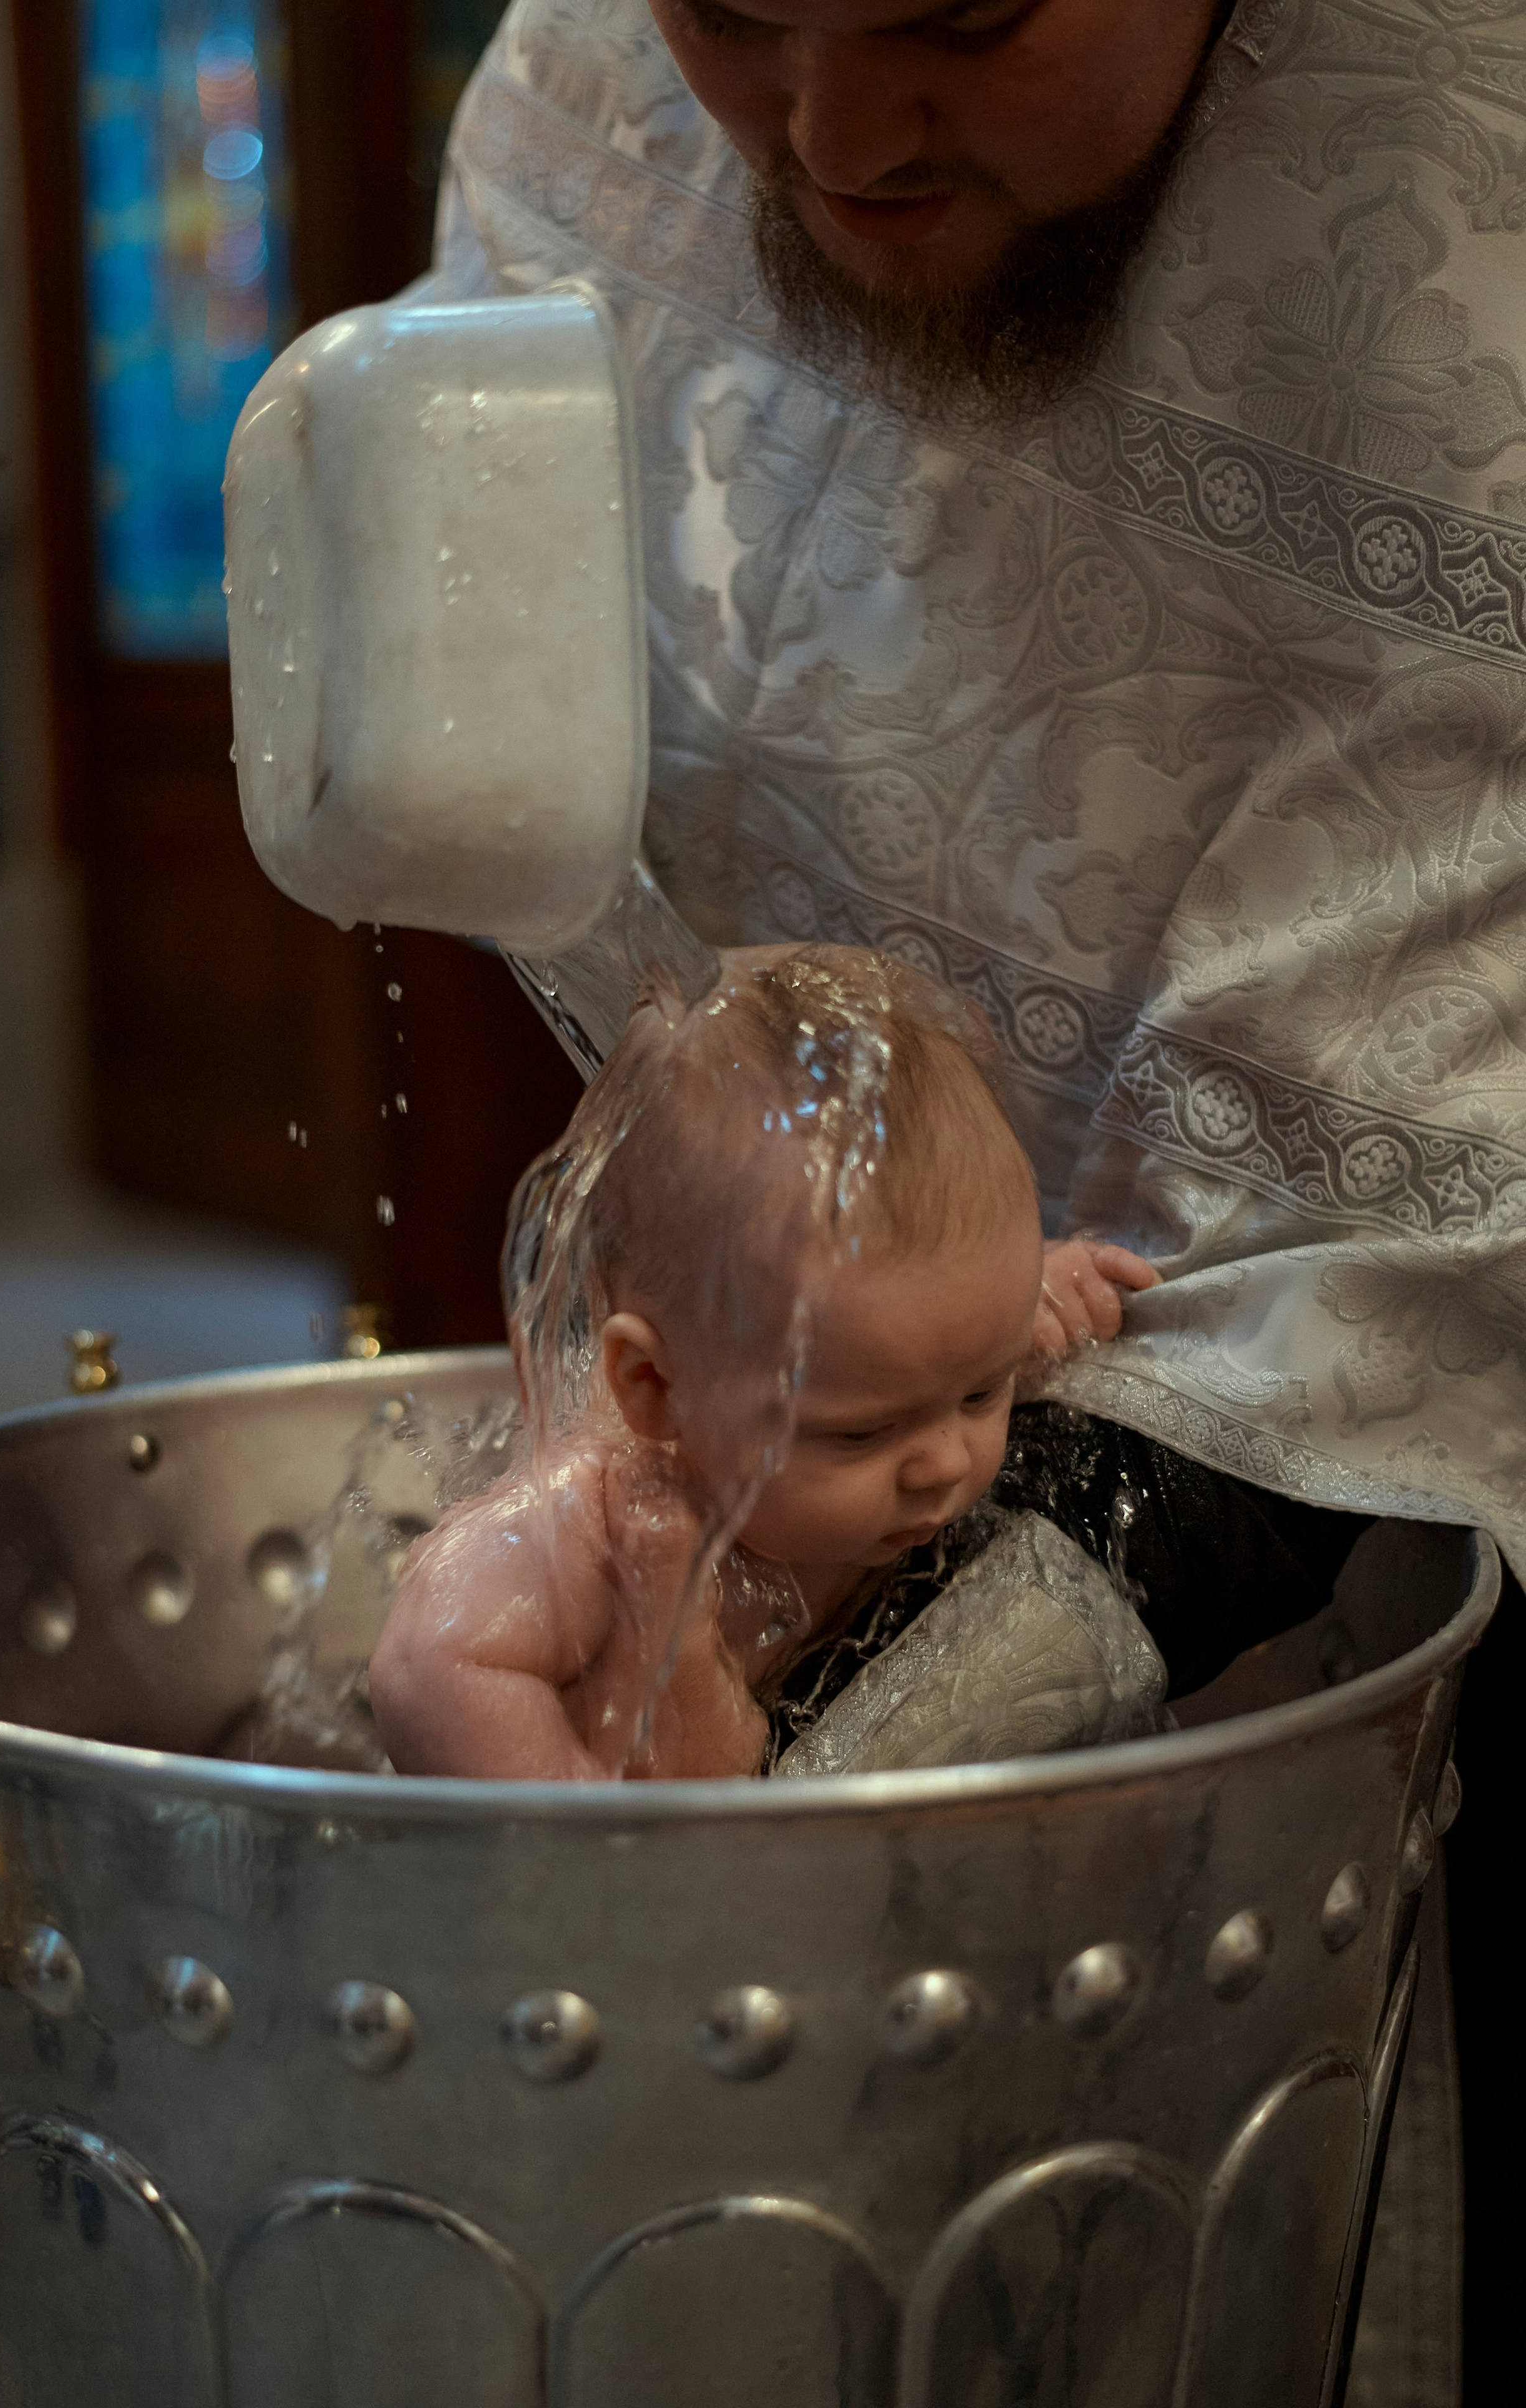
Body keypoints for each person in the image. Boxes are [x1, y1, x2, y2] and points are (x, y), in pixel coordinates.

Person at [429, 0, 1525, 2380]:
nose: (830, 141)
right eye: (725, 10)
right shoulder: (578, 100)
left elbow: (1392, 1175)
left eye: (961, 14)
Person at [370, 948, 1162, 1778]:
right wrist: (575, 1837)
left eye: (981, 1390)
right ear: (652, 1387)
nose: (944, 1463)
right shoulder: (600, 1514)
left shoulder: (867, 1365)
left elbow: (918, 1345)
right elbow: (426, 1659)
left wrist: (1039, 1297)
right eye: (861, 1436)